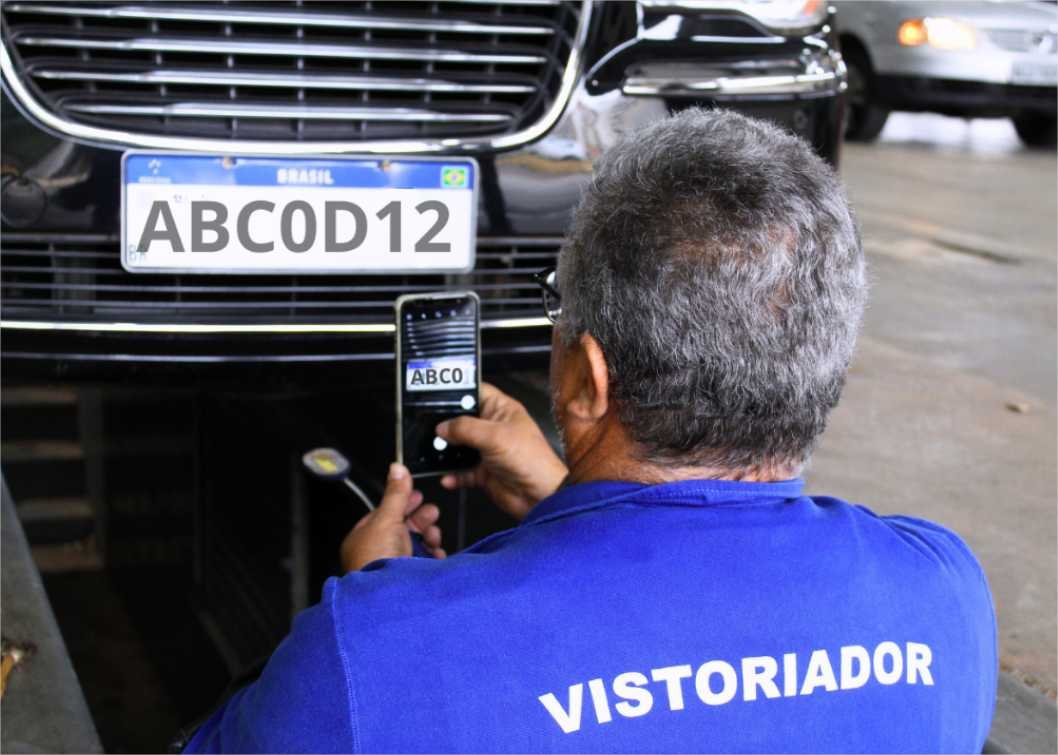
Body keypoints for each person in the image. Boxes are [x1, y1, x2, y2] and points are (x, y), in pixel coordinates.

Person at [184, 109, 996, 753]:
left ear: (584, 379)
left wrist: (366, 607)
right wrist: (564, 502)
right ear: (825, 364)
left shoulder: (368, 656)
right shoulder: (945, 589)